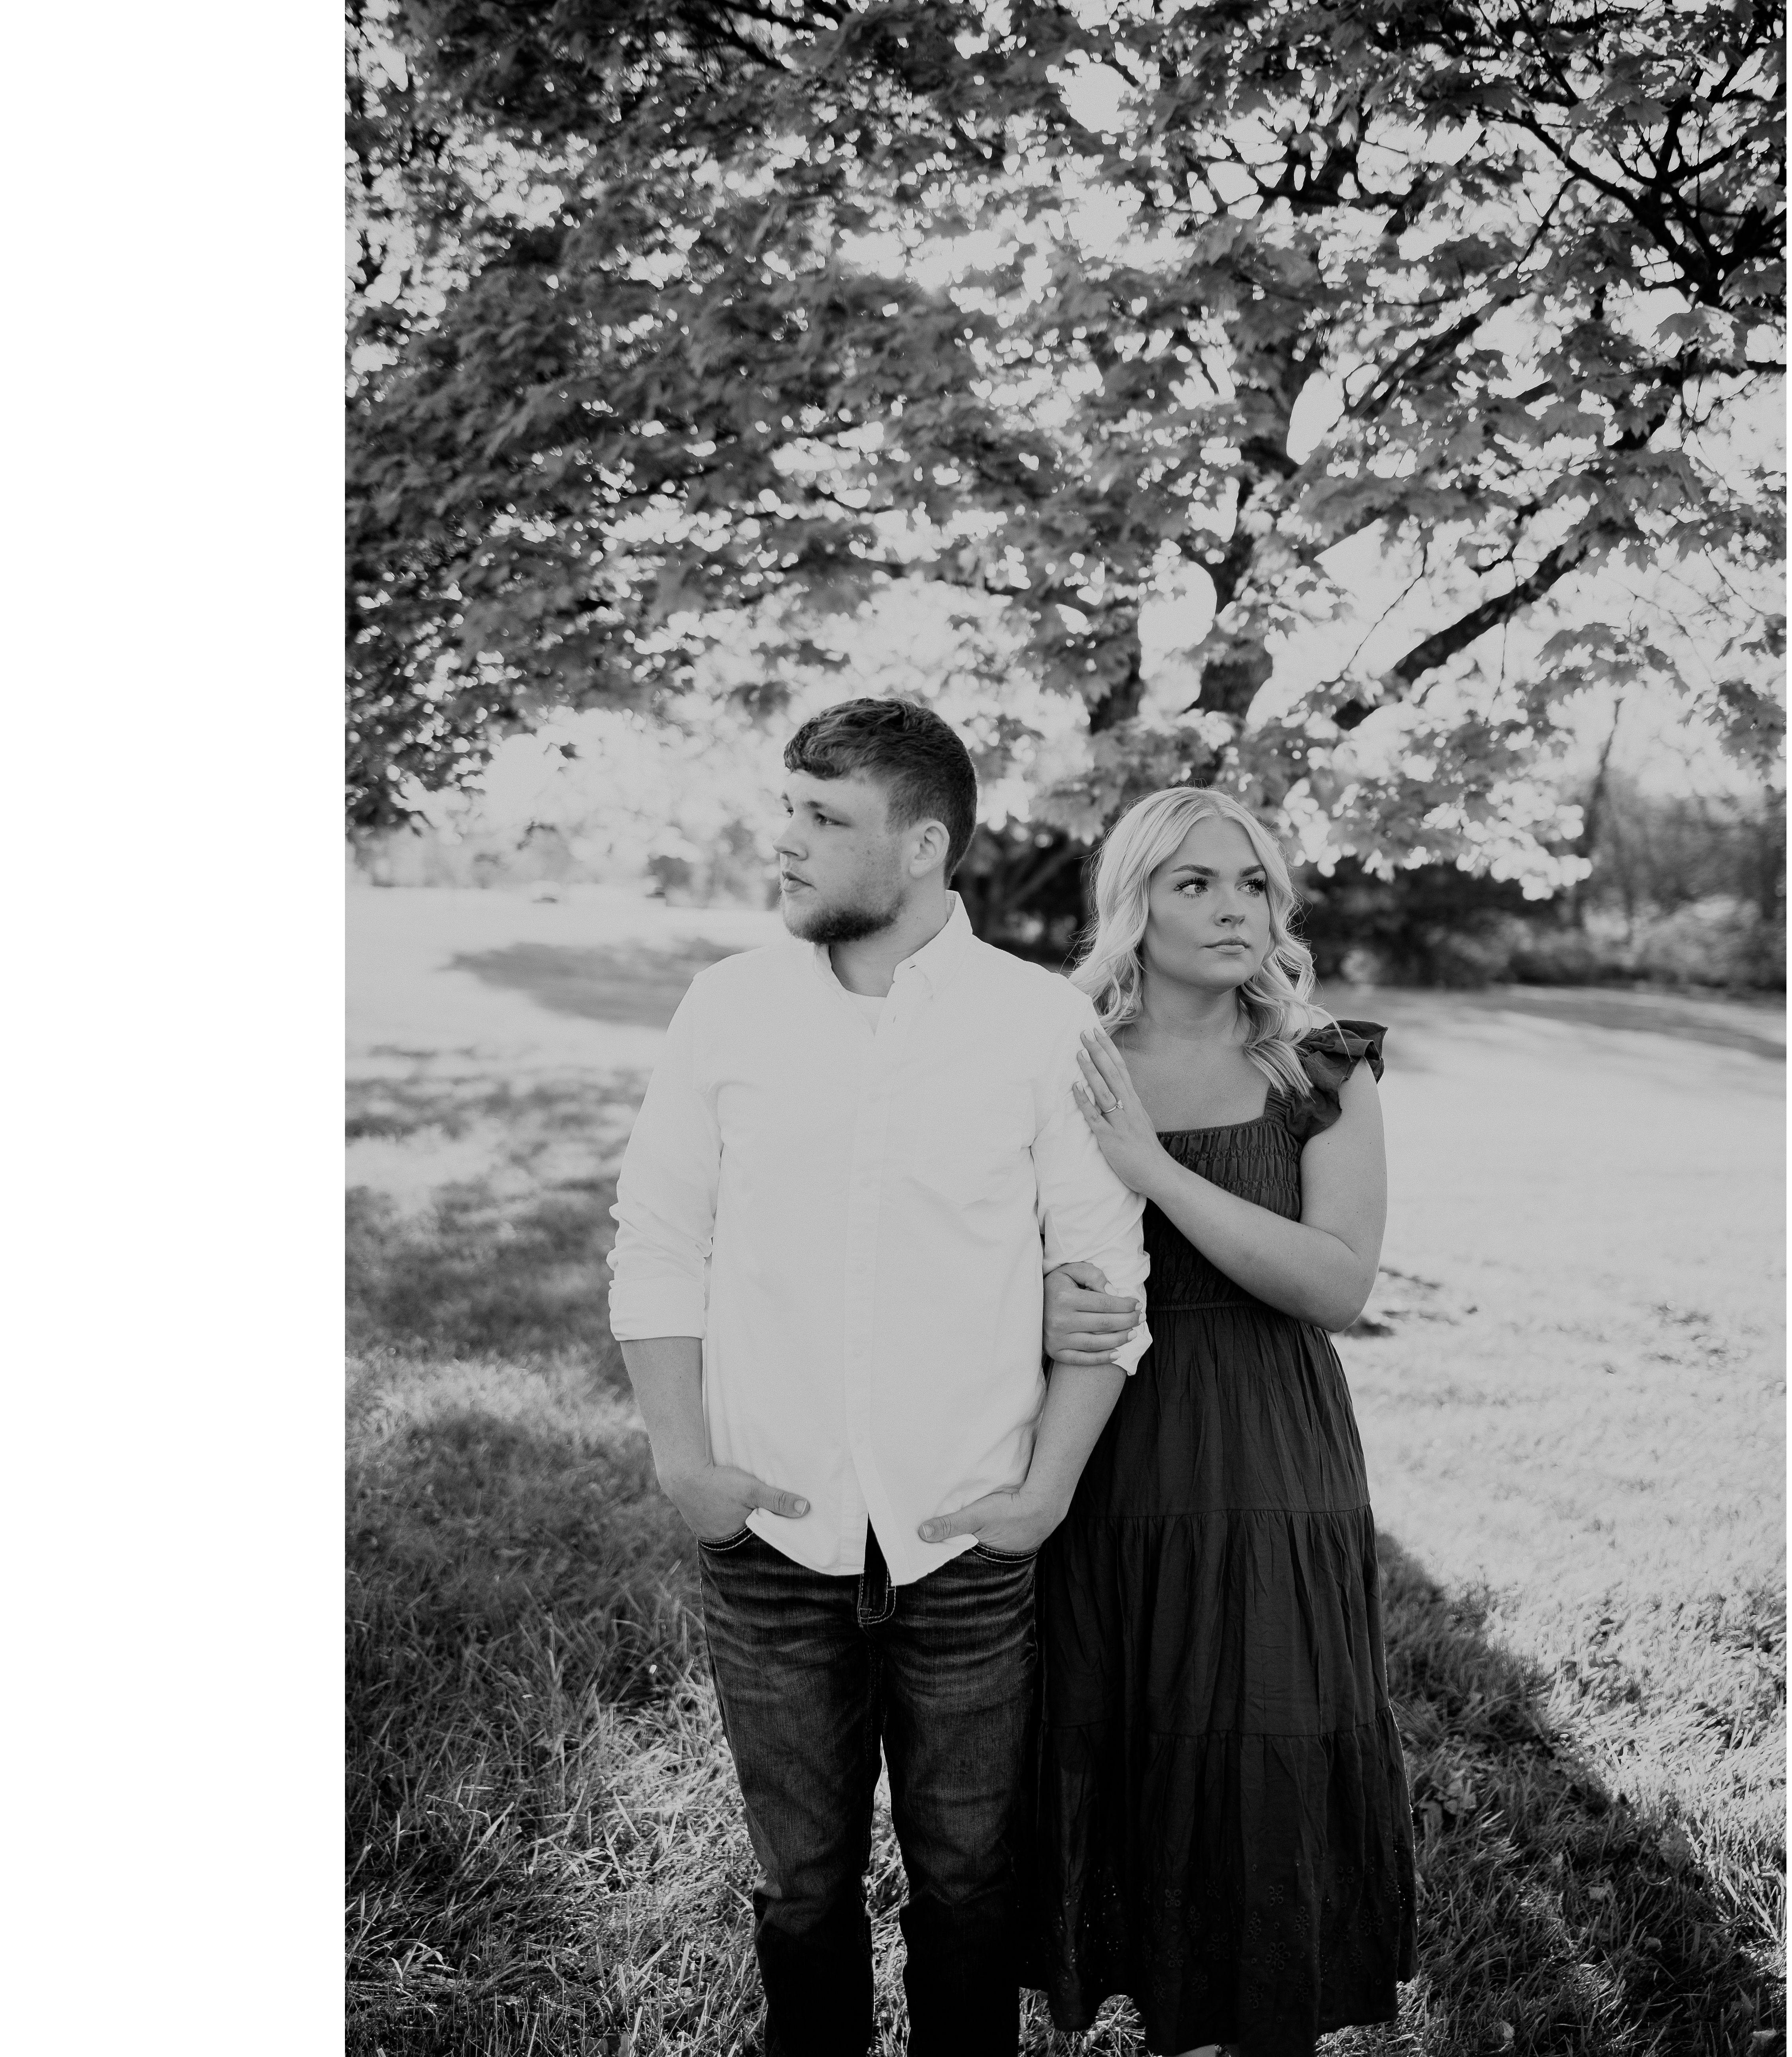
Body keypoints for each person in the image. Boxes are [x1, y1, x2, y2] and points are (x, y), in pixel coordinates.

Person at [606, 697, 1150, 2057]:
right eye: (787, 807)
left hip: (965, 1546)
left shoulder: (1037, 1025)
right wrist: (684, 1462)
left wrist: (1043, 1495)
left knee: (968, 1889)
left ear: (922, 846)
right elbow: (658, 1242)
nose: (785, 840)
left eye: (824, 817)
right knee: (802, 1892)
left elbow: (1105, 1286)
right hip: (770, 1537)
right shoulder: (728, 1009)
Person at [1032, 785, 1419, 2056]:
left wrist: (1151, 1171)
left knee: (1265, 1741)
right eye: (1193, 883)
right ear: (1132, 904)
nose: (1232, 909)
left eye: (1251, 883)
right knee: (1132, 1736)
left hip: (1268, 1449)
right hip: (1105, 1446)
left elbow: (1336, 1285)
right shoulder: (1063, 1058)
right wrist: (1036, 1304)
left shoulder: (1318, 1068)